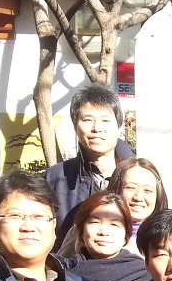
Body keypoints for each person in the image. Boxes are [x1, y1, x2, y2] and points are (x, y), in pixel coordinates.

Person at [45, 84, 134, 243]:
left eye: (105, 120)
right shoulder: (55, 176)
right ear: (75, 126)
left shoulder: (140, 176)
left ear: (119, 126)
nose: (97, 128)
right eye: (87, 120)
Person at [64, 190, 150, 281]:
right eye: (95, 222)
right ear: (81, 232)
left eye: (114, 224)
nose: (104, 232)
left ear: (126, 235)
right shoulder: (64, 276)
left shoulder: (143, 276)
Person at [59, 157, 168, 258]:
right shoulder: (87, 230)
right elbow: (60, 266)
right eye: (130, 188)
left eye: (148, 190)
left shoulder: (167, 236)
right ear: (116, 189)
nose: (138, 197)